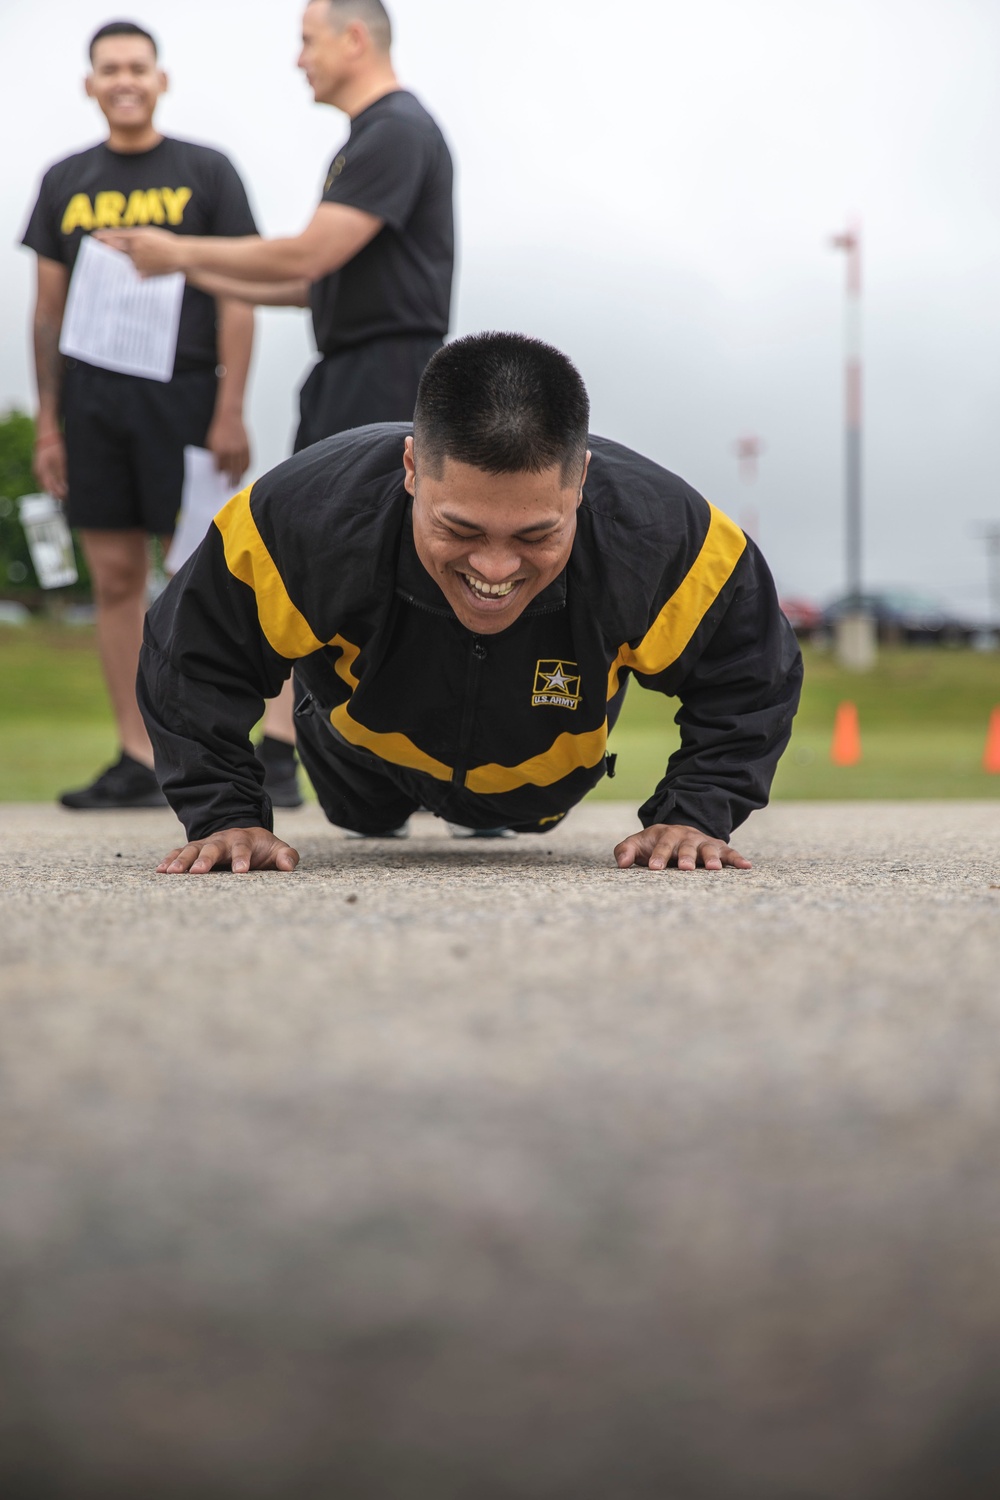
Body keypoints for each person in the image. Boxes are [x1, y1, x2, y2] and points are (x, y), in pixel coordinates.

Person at [137, 333, 802, 877]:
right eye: (460, 529)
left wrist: (694, 812)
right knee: (363, 819)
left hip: (538, 778)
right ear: (410, 469)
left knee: (506, 816)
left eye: (536, 535)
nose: (494, 567)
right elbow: (192, 653)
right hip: (358, 754)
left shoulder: (668, 536)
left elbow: (749, 672)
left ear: (582, 483)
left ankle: (485, 805)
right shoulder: (299, 515)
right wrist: (226, 813)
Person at [100, 0, 455, 806]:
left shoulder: (395, 129)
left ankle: (367, 756)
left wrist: (179, 245)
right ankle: (294, 747)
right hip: (348, 368)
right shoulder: (367, 141)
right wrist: (181, 270)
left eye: (307, 41)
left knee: (366, 560)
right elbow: (306, 282)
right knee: (321, 555)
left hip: (387, 372)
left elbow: (308, 250)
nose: (299, 60)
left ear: (354, 39)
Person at [21, 19, 257, 810]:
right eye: (109, 68)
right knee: (117, 577)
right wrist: (49, 421)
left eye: (137, 66)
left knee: (204, 572)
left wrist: (230, 408)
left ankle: (222, 751)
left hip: (186, 396)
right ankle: (136, 753)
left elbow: (238, 295)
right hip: (91, 405)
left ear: (161, 80)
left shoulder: (206, 172)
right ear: (90, 84)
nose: (124, 79)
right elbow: (45, 311)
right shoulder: (64, 180)